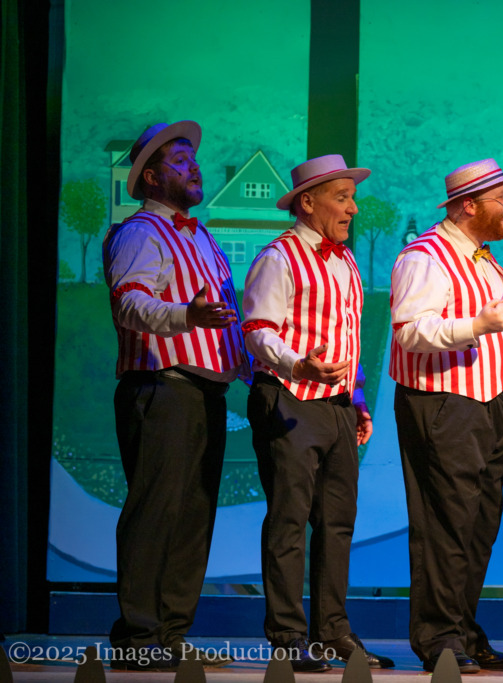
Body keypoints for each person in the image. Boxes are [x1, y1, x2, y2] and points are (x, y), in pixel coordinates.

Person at [102, 120, 246, 671]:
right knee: (156, 511)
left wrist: (255, 368)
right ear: (153, 177)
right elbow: (130, 306)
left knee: (193, 515)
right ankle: (137, 635)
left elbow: (223, 322)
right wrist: (186, 315)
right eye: (181, 161)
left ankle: (171, 632)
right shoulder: (141, 233)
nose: (195, 167)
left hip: (205, 391)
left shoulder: (203, 237)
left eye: (194, 160)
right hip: (162, 386)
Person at [242, 155, 393, 673]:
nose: (352, 208)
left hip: (336, 409)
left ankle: (333, 633)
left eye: (353, 198)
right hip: (287, 397)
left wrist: (358, 400)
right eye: (341, 197)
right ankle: (287, 636)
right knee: (289, 519)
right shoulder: (279, 257)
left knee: (337, 523)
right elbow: (258, 330)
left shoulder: (346, 261)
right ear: (308, 203)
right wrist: (298, 362)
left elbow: (348, 339)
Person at [389, 158, 503, 673]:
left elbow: (501, 314)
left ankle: (463, 629)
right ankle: (439, 637)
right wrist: (476, 325)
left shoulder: (485, 261)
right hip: (443, 402)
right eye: (502, 198)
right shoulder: (426, 256)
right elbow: (410, 331)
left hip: (489, 402)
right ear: (470, 205)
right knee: (445, 522)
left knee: (478, 525)